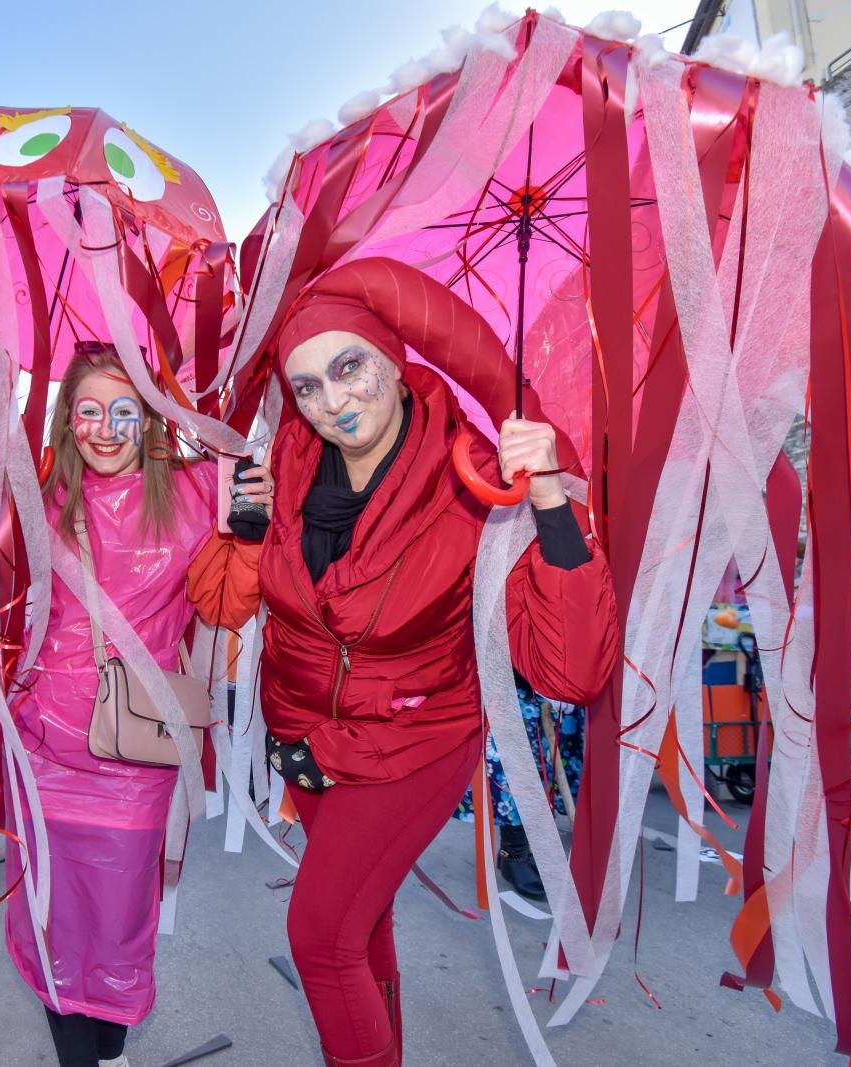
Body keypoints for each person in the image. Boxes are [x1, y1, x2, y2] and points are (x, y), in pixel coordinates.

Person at [189, 258, 619, 1066]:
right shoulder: (281, 467)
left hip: (411, 748)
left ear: (393, 359)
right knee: (360, 924)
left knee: (318, 936)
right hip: (308, 745)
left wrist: (553, 500)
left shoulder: (478, 483)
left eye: (349, 367)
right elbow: (221, 607)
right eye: (308, 385)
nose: (332, 401)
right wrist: (244, 534)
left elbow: (571, 672)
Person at [4, 342, 271, 1067]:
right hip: (41, 749)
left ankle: (113, 1053)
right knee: (53, 919)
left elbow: (221, 601)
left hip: (135, 749)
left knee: (120, 923)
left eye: (124, 410)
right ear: (67, 421)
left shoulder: (192, 493)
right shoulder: (36, 497)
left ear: (151, 419)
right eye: (87, 410)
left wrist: (248, 536)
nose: (106, 427)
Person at [453, 674, 584, 902]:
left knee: (545, 768)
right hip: (512, 682)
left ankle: (522, 849)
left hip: (552, 683)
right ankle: (513, 853)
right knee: (517, 773)